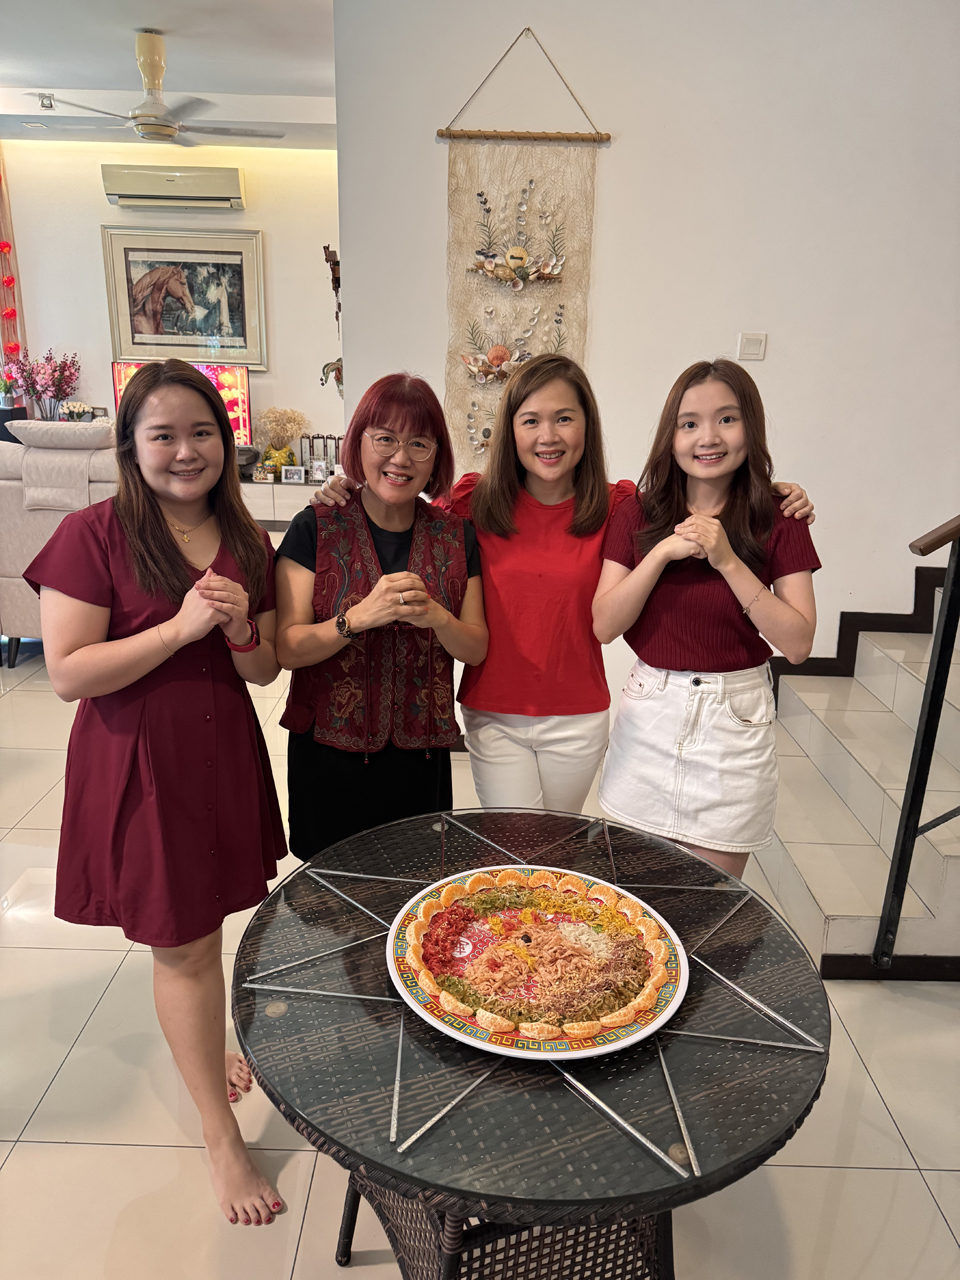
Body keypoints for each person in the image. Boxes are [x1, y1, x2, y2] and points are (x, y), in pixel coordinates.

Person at [317, 354, 814, 812]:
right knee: (517, 845)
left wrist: (773, 490)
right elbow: (400, 513)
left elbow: (692, 495)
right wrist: (347, 489)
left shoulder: (618, 506)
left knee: (557, 850)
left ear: (586, 426)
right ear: (511, 430)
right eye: (531, 421)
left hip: (579, 714)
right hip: (494, 709)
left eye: (564, 419)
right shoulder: (473, 501)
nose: (548, 436)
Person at [26, 360, 286, 1228]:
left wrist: (240, 626)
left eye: (202, 432)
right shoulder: (93, 535)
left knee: (206, 927)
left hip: (219, 749)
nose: (185, 451)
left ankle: (203, 1049)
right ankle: (220, 1135)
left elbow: (261, 669)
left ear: (225, 440)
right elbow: (69, 672)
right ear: (130, 446)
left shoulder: (246, 538)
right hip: (140, 762)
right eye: (163, 434)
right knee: (181, 942)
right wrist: (178, 629)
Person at [593, 358, 820, 878]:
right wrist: (661, 553)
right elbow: (604, 625)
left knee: (711, 901)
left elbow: (798, 643)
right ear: (670, 436)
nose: (708, 437)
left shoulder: (780, 518)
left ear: (750, 427)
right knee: (634, 897)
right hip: (650, 711)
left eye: (727, 419)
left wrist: (727, 560)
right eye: (689, 423)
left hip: (733, 719)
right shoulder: (637, 513)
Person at [274, 373, 487, 858]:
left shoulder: (456, 537)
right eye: (385, 438)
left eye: (419, 443)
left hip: (420, 759)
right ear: (359, 442)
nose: (400, 458)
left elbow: (476, 647)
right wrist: (356, 618)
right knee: (330, 889)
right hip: (329, 755)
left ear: (436, 455)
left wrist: (438, 617)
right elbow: (286, 648)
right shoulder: (316, 527)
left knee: (416, 889)